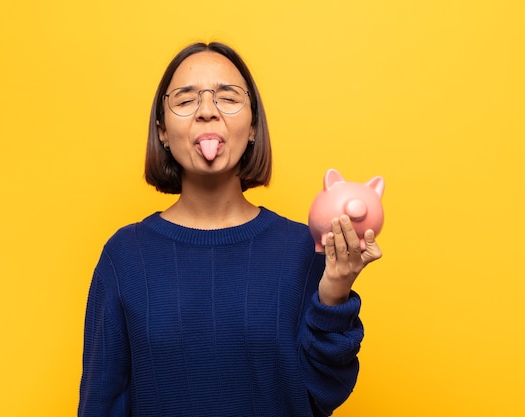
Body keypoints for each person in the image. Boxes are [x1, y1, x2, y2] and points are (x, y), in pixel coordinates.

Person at [78, 41, 382, 417]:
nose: (207, 111)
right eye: (187, 100)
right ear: (161, 131)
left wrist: (335, 293)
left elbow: (324, 393)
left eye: (227, 97)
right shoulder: (125, 256)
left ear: (252, 126)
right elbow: (101, 405)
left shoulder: (305, 251)